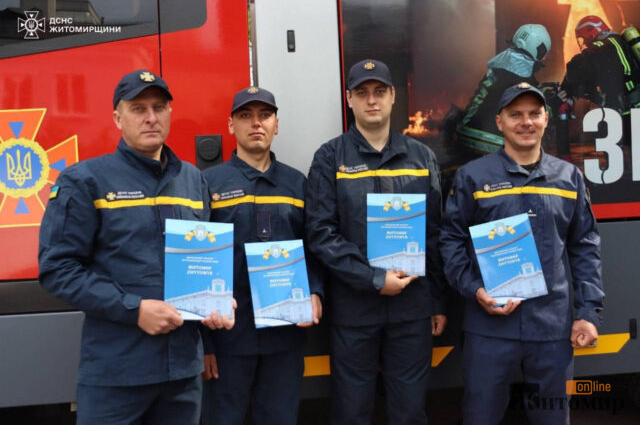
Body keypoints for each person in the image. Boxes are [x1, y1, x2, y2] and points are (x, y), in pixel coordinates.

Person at [38, 69, 234, 425]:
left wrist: (216, 302)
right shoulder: (85, 180)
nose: (150, 117)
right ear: (118, 117)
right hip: (116, 373)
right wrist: (135, 309)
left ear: (170, 113)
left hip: (182, 375)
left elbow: (204, 262)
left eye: (159, 108)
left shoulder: (193, 180)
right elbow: (58, 270)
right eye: (138, 108)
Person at [439, 82, 604, 425]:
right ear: (499, 122)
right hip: (489, 328)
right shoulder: (473, 177)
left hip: (552, 329)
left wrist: (588, 312)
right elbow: (450, 242)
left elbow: (585, 247)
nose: (526, 122)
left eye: (534, 114)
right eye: (515, 114)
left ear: (546, 119)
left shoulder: (569, 178)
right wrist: (475, 289)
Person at [305, 59, 447, 425]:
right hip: (354, 309)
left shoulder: (421, 157)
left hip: (412, 308)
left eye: (379, 91)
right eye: (363, 92)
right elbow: (321, 232)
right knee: (351, 412)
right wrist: (372, 279)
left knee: (409, 411)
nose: (372, 100)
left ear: (393, 96)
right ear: (349, 99)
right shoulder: (330, 157)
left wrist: (436, 301)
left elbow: (434, 234)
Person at [200, 86, 323, 425]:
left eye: (265, 115)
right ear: (231, 125)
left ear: (276, 125)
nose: (256, 123)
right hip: (228, 338)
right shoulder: (208, 184)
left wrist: (315, 291)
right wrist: (205, 344)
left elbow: (314, 247)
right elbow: (198, 264)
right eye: (245, 115)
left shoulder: (297, 184)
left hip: (285, 337)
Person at [457, 24, 551, 154]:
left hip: (468, 135)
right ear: (539, 51)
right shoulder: (526, 81)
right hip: (494, 144)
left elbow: (477, 102)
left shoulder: (496, 69)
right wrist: (553, 101)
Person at [562, 15, 640, 115]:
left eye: (584, 38)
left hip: (630, 107)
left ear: (591, 32)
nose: (584, 42)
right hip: (631, 106)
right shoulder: (616, 44)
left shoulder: (605, 44)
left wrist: (565, 86)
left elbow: (576, 65)